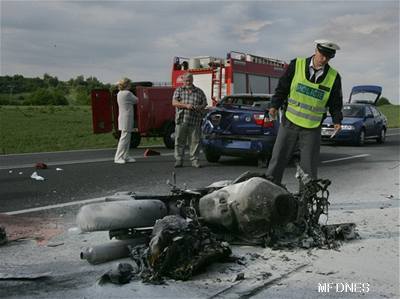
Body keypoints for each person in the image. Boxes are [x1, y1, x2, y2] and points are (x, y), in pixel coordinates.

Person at [266, 39, 343, 188]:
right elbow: (282, 87)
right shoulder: (297, 65)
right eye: (322, 55)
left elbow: (335, 103)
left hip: (312, 127)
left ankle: (306, 200)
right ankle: (269, 192)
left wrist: (337, 120)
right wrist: (274, 106)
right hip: (289, 122)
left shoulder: (334, 77)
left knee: (309, 166)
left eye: (329, 57)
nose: (324, 59)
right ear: (316, 50)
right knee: (278, 159)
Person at [172, 72, 207, 168]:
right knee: (179, 141)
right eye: (186, 81)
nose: (188, 82)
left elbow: (204, 103)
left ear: (192, 80)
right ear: (183, 81)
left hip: (195, 120)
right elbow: (174, 102)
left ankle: (194, 160)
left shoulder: (199, 91)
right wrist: (186, 105)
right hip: (182, 119)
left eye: (190, 80)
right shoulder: (179, 90)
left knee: (195, 142)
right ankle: (179, 160)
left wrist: (199, 107)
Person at [114, 77, 138, 164]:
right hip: (126, 117)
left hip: (124, 117)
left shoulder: (120, 93)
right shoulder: (127, 93)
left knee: (127, 137)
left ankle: (125, 156)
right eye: (129, 84)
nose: (130, 86)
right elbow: (136, 100)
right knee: (124, 138)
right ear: (126, 85)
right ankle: (118, 157)